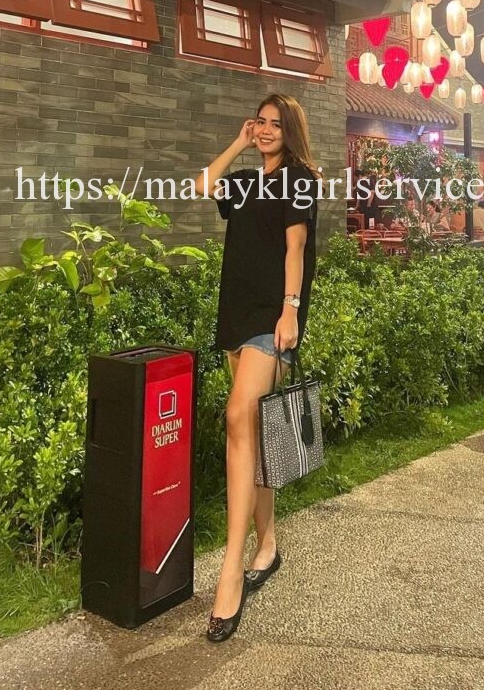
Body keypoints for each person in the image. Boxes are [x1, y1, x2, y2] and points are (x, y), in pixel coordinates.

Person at [192, 93, 319, 643]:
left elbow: (296, 247)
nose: (265, 130)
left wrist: (290, 309)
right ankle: (267, 546)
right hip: (236, 311)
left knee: (237, 417)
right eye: (259, 123)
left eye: (274, 125)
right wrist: (238, 142)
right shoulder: (246, 181)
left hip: (272, 316)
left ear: (291, 130)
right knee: (255, 433)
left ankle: (231, 572)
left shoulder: (300, 180)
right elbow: (203, 184)